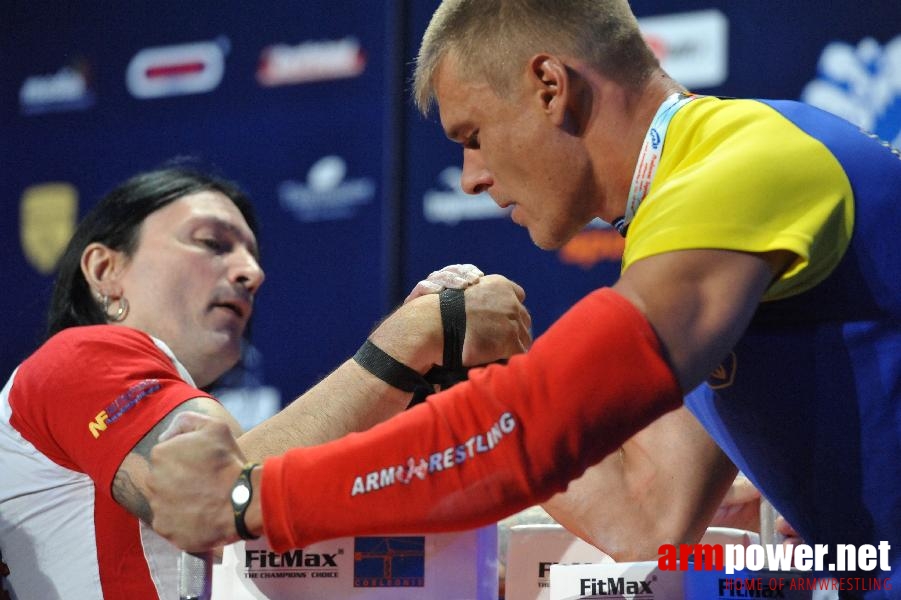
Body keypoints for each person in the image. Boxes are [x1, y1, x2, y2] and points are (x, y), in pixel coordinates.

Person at [146, 1, 900, 597]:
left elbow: (540, 419)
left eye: (471, 134)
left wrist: (254, 497)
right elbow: (644, 511)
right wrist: (459, 366)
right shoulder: (681, 224)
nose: (470, 176)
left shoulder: (742, 167)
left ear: (549, 85)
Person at [0, 165, 531, 599]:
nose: (251, 272)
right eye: (212, 243)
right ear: (104, 269)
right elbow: (213, 492)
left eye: (253, 256)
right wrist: (416, 335)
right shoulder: (80, 354)